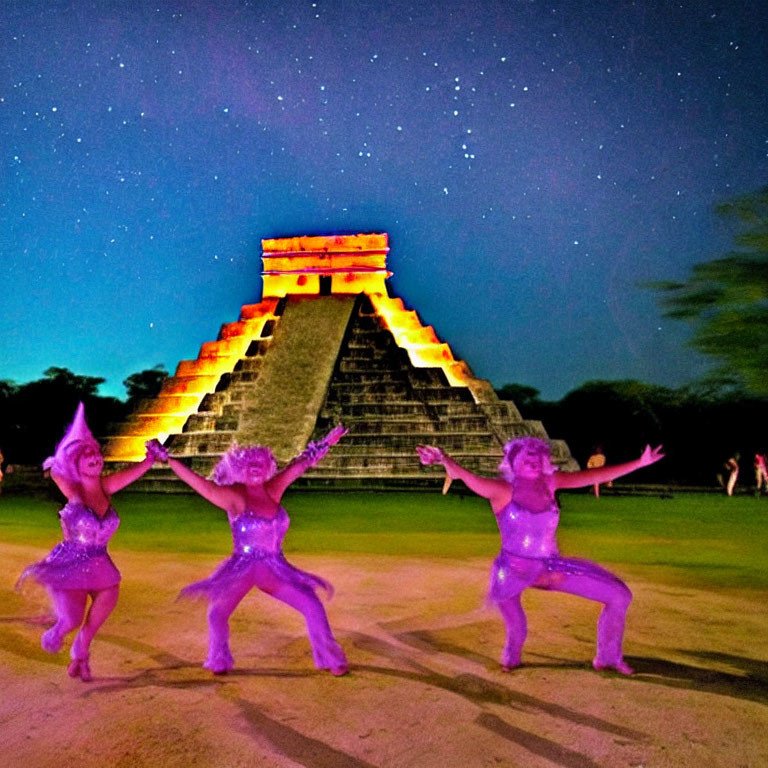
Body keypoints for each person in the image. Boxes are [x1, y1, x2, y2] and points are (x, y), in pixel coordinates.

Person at [417, 437, 664, 675]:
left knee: (619, 595)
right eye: (527, 456)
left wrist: (639, 463)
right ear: (513, 461)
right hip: (512, 570)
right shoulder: (501, 490)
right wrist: (444, 459)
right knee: (517, 628)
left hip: (549, 568)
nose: (533, 460)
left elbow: (596, 476)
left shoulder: (551, 483)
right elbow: (466, 477)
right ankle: (511, 657)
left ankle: (608, 658)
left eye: (538, 456)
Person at [152, 426, 349, 676]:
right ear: (238, 469)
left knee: (311, 604)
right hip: (243, 569)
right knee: (217, 614)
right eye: (249, 464)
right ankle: (219, 657)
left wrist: (327, 442)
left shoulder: (274, 489)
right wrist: (168, 459)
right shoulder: (233, 497)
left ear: (267, 466)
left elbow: (302, 463)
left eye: (259, 463)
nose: (255, 467)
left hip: (275, 568)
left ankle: (330, 657)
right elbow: (200, 485)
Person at [17, 403, 159, 681]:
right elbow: (58, 472)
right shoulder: (74, 490)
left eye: (96, 454)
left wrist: (150, 459)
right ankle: (59, 632)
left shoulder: (106, 487)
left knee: (109, 595)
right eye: (87, 456)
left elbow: (135, 473)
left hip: (99, 563)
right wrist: (64, 455)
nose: (95, 458)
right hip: (71, 563)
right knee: (70, 618)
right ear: (76, 463)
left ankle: (81, 648)